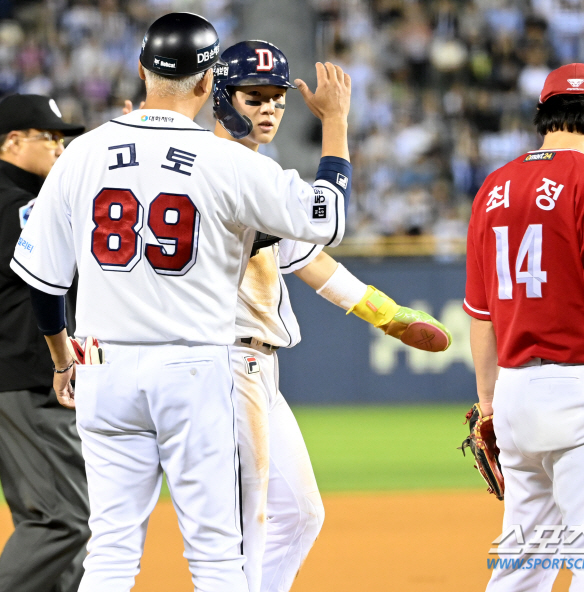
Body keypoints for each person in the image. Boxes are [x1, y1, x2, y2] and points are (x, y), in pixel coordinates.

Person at [10, 12, 352, 592]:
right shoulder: (232, 162)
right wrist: (336, 123)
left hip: (103, 366)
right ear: (207, 82)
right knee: (217, 558)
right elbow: (329, 218)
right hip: (195, 368)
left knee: (111, 554)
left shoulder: (82, 154)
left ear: (143, 70)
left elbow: (41, 282)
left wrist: (63, 358)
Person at [207, 40, 453, 592]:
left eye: (277, 98)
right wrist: (336, 121)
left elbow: (306, 258)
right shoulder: (219, 168)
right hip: (224, 363)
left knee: (299, 515)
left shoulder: (255, 170)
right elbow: (327, 221)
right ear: (221, 96)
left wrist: (384, 314)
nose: (270, 107)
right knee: (244, 530)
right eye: (255, 96)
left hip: (256, 370)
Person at [463, 63, 584, 592]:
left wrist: (488, 403)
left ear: (541, 116)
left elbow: (480, 315)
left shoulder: (494, 187)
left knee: (520, 571)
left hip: (514, 398)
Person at [0, 94, 89, 592]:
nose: (60, 147)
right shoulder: (16, 205)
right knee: (62, 521)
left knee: (59, 535)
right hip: (31, 377)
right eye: (50, 138)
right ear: (12, 142)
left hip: (21, 378)